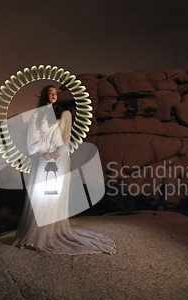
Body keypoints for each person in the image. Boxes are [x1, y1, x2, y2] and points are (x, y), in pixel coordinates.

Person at [12, 85, 116, 255]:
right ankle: (37, 234)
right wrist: (44, 152)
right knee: (41, 194)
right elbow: (32, 139)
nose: (53, 95)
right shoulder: (37, 115)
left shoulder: (64, 114)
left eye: (55, 93)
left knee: (54, 195)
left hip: (59, 158)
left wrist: (57, 153)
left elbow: (65, 137)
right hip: (41, 158)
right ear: (44, 95)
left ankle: (51, 233)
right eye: (50, 93)